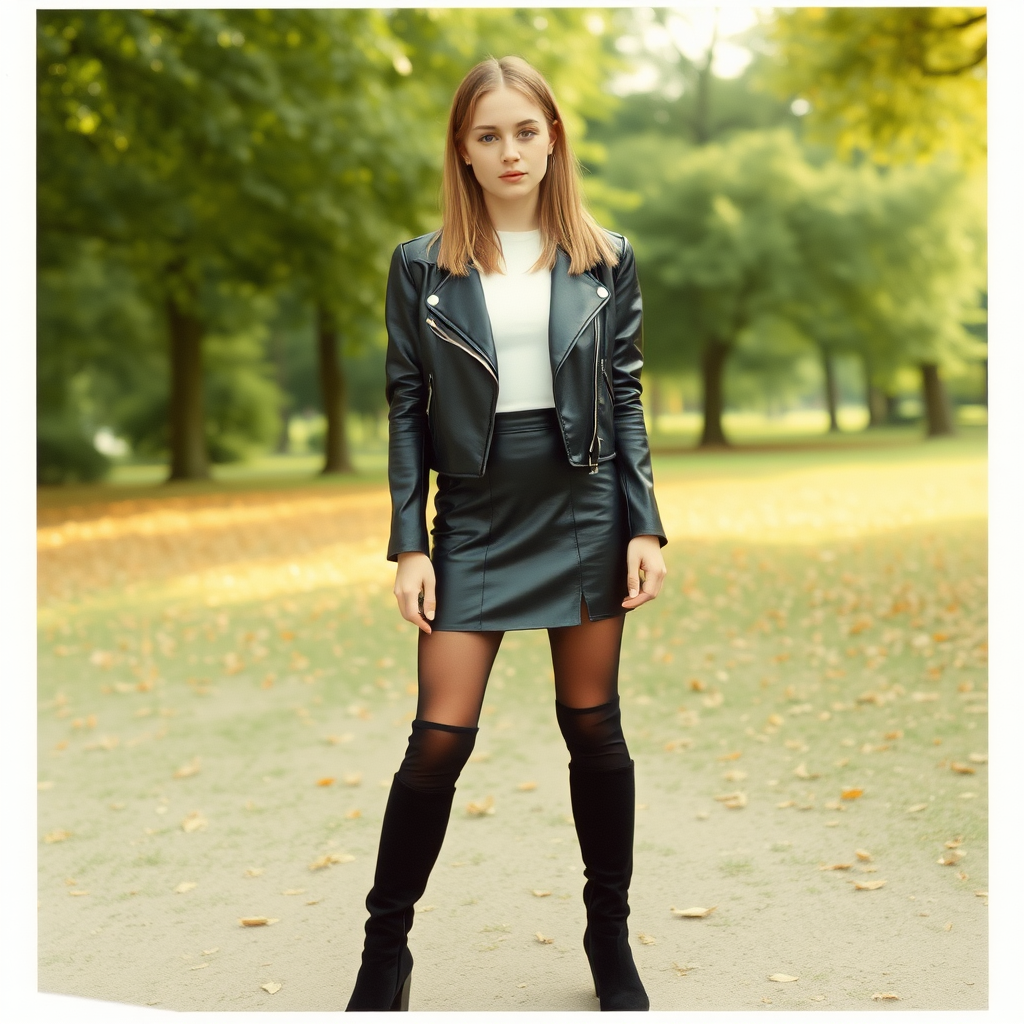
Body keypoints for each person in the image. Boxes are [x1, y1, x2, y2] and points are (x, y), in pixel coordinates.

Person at [345, 54, 668, 1013]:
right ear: (464, 151)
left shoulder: (605, 256)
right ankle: (383, 950)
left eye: (525, 130)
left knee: (594, 730)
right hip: (476, 517)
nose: (509, 150)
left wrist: (645, 525)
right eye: (488, 135)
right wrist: (410, 541)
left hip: (585, 504)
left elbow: (624, 394)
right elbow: (406, 406)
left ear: (552, 136)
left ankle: (607, 935)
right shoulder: (421, 264)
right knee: (437, 740)